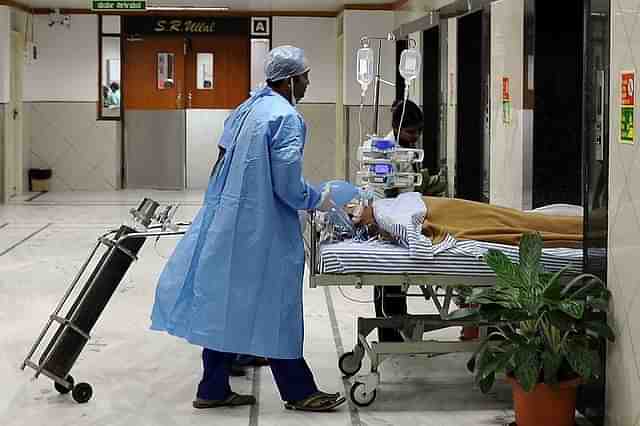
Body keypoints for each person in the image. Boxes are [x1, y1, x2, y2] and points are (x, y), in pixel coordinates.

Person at [150, 45, 346, 412]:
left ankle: (213, 388)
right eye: (304, 78)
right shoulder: (285, 118)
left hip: (227, 220)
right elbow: (287, 186)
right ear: (289, 80)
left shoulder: (248, 107)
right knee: (275, 303)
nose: (306, 84)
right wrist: (318, 199)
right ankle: (298, 390)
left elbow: (221, 157)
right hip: (263, 229)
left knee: (229, 297)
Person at [374, 99, 447, 343]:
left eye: (418, 132)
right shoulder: (384, 151)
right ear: (396, 127)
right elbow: (378, 191)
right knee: (387, 279)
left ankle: (396, 326)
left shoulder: (407, 149)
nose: (415, 137)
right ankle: (388, 334)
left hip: (407, 217)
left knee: (398, 277)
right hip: (389, 220)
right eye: (410, 132)